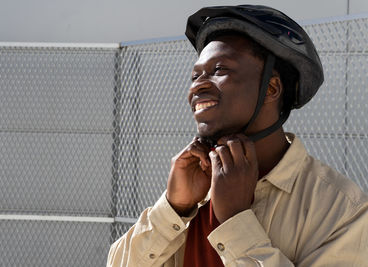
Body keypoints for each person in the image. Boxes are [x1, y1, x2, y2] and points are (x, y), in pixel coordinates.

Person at [107, 5, 368, 267]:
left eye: (219, 70)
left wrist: (235, 221)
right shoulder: (195, 187)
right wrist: (173, 209)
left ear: (271, 88)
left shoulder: (342, 209)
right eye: (195, 75)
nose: (197, 85)